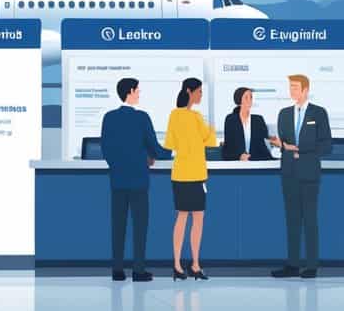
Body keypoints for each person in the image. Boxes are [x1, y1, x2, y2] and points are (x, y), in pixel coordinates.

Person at [99, 77, 169, 282]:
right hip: (138, 179)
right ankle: (138, 270)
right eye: (138, 90)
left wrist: (118, 166)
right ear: (130, 91)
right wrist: (173, 152)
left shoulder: (109, 117)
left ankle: (117, 270)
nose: (139, 94)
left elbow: (106, 148)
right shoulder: (142, 118)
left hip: (118, 179)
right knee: (140, 225)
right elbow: (155, 147)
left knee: (118, 224)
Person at [271, 74, 332, 279]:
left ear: (306, 90)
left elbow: (326, 145)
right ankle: (293, 264)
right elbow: (283, 142)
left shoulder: (319, 113)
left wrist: (299, 149)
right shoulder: (284, 114)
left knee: (310, 219)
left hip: (309, 173)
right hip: (289, 172)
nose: (292, 91)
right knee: (292, 220)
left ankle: (312, 265)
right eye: (291, 87)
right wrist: (287, 148)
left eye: (296, 87)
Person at [163, 77, 217, 281]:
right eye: (199, 91)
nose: (201, 94)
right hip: (195, 173)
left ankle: (179, 264)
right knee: (196, 219)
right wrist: (208, 128)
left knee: (183, 217)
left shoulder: (174, 115)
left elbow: (170, 143)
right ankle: (194, 264)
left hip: (182, 173)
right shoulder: (195, 117)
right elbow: (210, 140)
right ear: (189, 91)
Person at [222, 87, 273, 162]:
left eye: (251, 97)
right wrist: (239, 156)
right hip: (237, 161)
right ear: (239, 100)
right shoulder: (231, 119)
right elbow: (229, 145)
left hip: (258, 160)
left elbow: (265, 142)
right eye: (246, 97)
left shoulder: (258, 119)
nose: (250, 100)